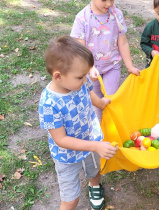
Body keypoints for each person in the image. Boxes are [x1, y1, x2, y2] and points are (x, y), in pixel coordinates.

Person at [39, 35, 118, 210]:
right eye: (81, 77)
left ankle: (94, 186)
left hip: (91, 140)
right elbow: (61, 140)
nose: (85, 80)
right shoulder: (49, 104)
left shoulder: (79, 81)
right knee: (70, 200)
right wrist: (95, 146)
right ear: (58, 76)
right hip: (67, 157)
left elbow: (89, 92)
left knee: (94, 170)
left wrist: (100, 102)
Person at [70, 0, 140, 120]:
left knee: (111, 100)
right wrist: (90, 67)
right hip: (90, 69)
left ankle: (111, 129)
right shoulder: (82, 18)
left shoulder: (116, 15)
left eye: (111, 0)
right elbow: (80, 49)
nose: (108, 4)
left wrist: (130, 66)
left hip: (112, 66)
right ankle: (99, 131)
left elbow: (122, 42)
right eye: (104, 0)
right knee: (96, 102)